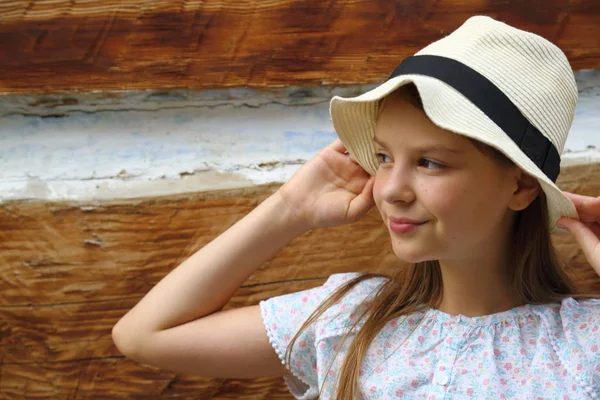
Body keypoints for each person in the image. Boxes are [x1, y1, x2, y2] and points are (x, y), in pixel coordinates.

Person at [111, 16, 600, 399]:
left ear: (520, 187)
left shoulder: (584, 343)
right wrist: (290, 207)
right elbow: (144, 335)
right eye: (384, 157)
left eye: (430, 162)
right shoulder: (348, 321)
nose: (391, 190)